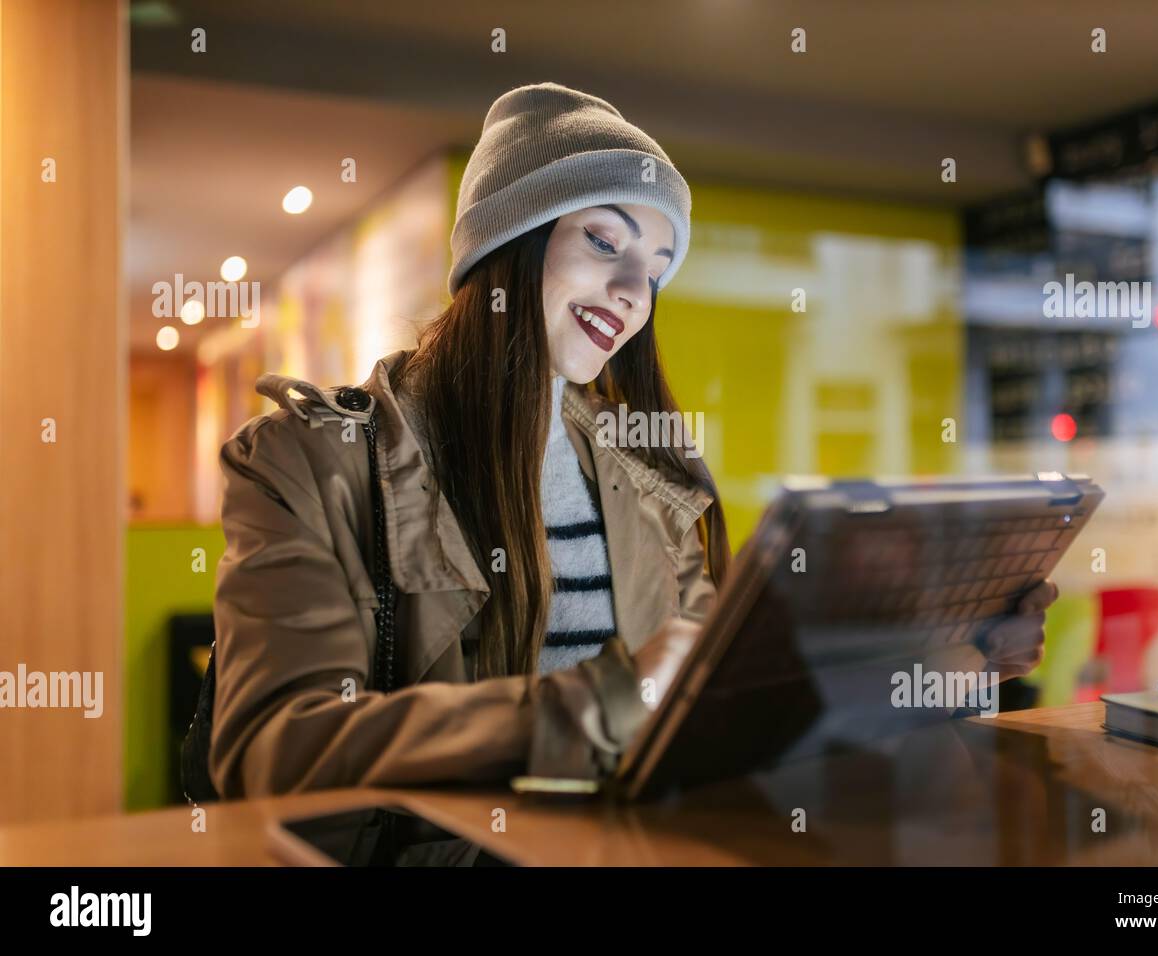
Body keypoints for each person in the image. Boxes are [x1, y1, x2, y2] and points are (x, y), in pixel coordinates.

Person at [209, 81, 1054, 800]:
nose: (632, 291)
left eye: (654, 268)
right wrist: (609, 697)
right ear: (507, 246)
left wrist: (958, 661)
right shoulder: (304, 461)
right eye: (604, 240)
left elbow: (726, 713)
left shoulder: (648, 473)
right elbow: (277, 752)